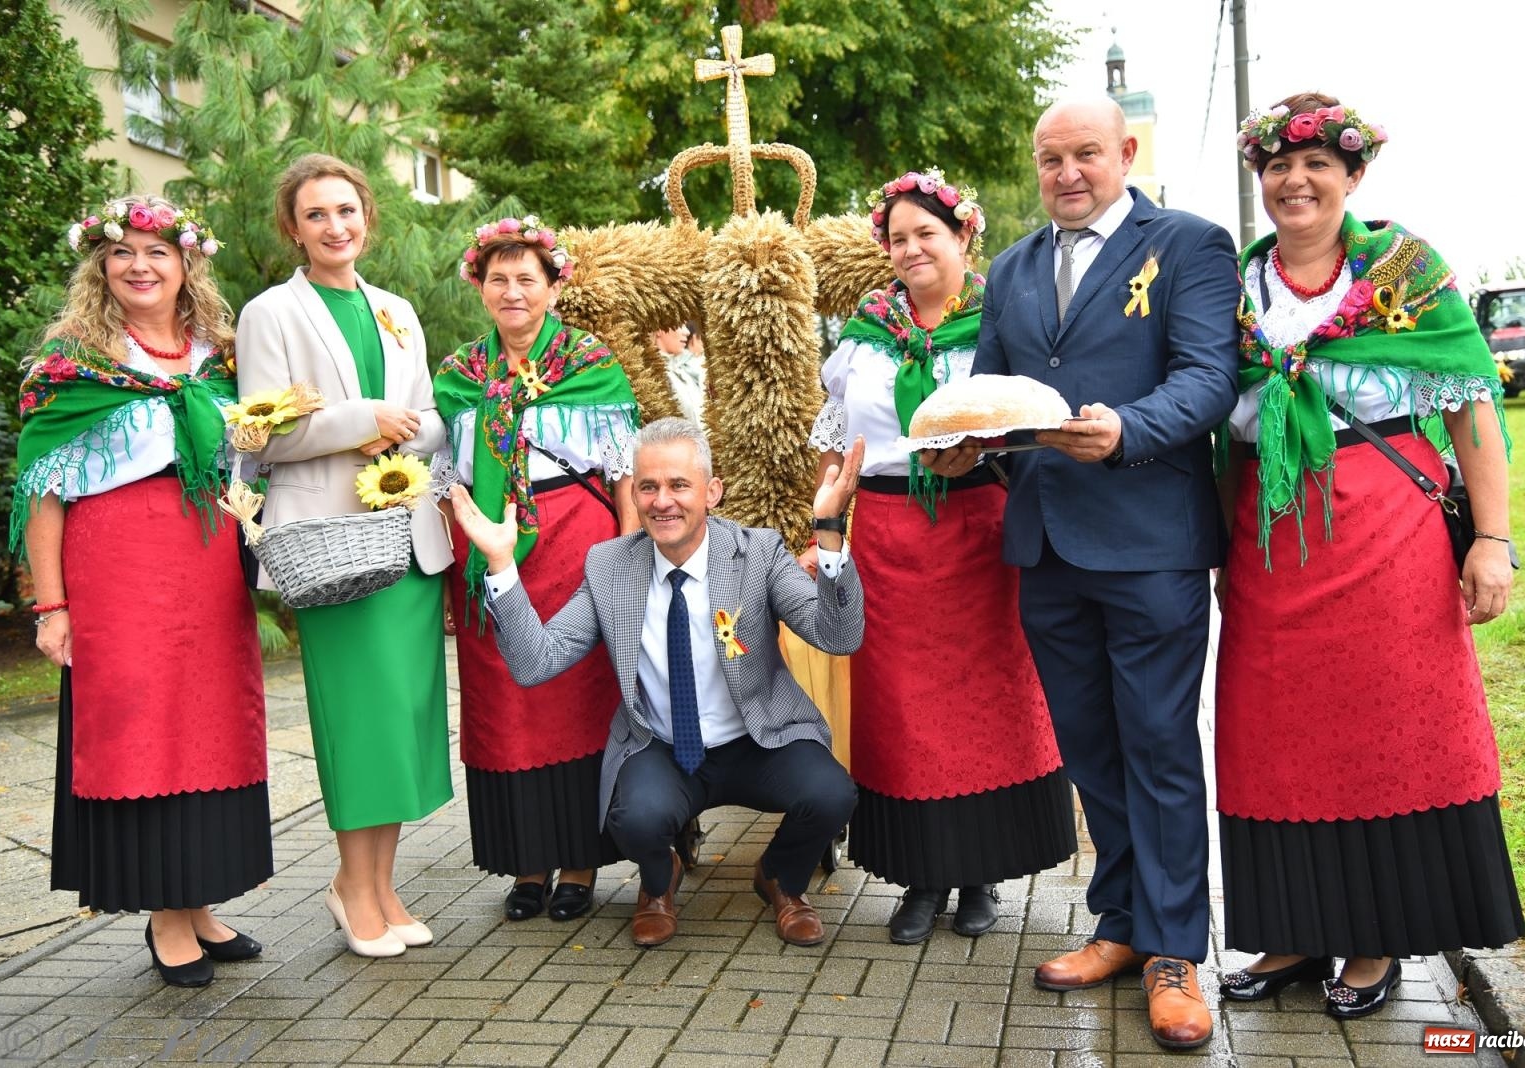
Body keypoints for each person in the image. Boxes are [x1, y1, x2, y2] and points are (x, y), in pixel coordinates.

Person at [923, 97, 1240, 1050]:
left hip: (1150, 543)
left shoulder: (1188, 243)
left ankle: (1179, 950)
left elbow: (1207, 377)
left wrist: (1126, 431)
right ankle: (1122, 924)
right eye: (1050, 158)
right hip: (1048, 546)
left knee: (1159, 746)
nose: (1067, 173)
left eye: (1086, 155)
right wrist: (964, 452)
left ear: (1125, 153)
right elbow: (990, 395)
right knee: (1092, 750)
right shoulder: (1014, 267)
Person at [1214, 93, 1524, 1019]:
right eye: (1276, 167)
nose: (1293, 182)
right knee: (1275, 739)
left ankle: (1378, 938)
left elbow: (1471, 408)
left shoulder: (1409, 272)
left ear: (1353, 177)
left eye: (1315, 165)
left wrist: (1495, 542)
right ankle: (1297, 929)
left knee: (1390, 727)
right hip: (1271, 545)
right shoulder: (1237, 287)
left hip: (1389, 535)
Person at [450, 417, 863, 949]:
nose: (662, 501)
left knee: (832, 794)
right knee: (634, 817)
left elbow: (839, 635)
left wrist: (829, 530)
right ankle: (657, 880)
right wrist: (502, 563)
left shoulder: (757, 553)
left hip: (760, 739)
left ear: (712, 491)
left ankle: (781, 878)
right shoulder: (609, 565)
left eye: (678, 485)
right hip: (664, 745)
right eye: (648, 486)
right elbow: (537, 663)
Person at [807, 168, 1075, 945]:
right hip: (890, 537)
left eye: (928, 232)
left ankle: (981, 874)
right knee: (899, 710)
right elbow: (840, 442)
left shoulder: (1006, 319)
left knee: (982, 704)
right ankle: (920, 879)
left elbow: (1036, 425)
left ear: (963, 236)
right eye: (897, 237)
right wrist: (825, 523)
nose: (912, 248)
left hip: (980, 531)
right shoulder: (864, 334)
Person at [13, 195, 269, 988]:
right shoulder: (71, 365)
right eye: (123, 253)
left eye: (157, 252)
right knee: (142, 729)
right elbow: (43, 494)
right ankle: (165, 916)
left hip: (208, 559)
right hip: (116, 565)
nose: (141, 266)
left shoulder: (222, 359)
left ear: (186, 264)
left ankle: (199, 903)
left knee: (215, 724)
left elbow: (254, 456)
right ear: (102, 268)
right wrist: (50, 606)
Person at [236, 154, 453, 958]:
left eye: (347, 210)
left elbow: (429, 418)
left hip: (406, 540)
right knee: (357, 722)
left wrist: (403, 427)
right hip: (329, 545)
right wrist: (364, 420)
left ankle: (381, 885)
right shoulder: (272, 313)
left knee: (402, 722)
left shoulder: (396, 309)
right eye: (317, 214)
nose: (336, 226)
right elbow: (260, 431)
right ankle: (349, 888)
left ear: (368, 218)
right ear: (293, 228)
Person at [436, 215, 640, 923]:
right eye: (500, 280)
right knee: (505, 705)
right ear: (481, 289)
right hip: (486, 549)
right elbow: (447, 478)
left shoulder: (591, 363)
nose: (513, 291)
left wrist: (632, 558)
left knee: (577, 696)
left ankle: (580, 863)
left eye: (528, 279)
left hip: (576, 541)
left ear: (554, 287)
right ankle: (526, 865)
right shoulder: (460, 375)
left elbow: (622, 472)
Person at [654, 323, 705, 424]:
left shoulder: (681, 371)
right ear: (659, 330)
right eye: (680, 325)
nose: (687, 332)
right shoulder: (654, 376)